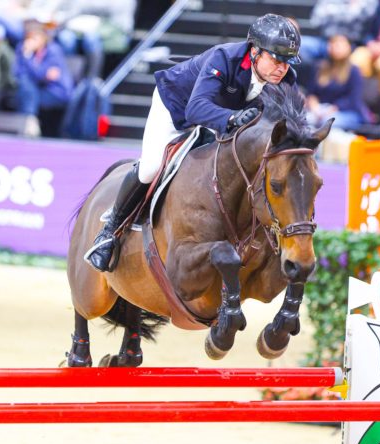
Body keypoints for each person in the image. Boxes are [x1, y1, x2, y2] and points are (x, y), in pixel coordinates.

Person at [84, 13, 303, 272]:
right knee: (152, 167)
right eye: (277, 59)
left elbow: (285, 123)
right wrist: (232, 118)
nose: (282, 68)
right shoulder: (224, 58)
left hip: (221, 117)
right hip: (177, 106)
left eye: (287, 62)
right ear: (255, 51)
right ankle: (109, 232)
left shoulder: (286, 79)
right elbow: (196, 109)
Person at [14, 21, 74, 138]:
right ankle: (28, 121)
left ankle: (28, 121)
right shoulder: (23, 49)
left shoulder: (53, 50)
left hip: (57, 91)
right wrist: (27, 57)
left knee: (27, 90)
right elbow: (18, 73)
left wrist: (27, 57)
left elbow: (43, 75)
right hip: (39, 88)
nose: (29, 42)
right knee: (25, 85)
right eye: (28, 38)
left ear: (43, 38)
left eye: (34, 38)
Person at [304, 34, 371, 130]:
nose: (336, 48)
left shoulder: (354, 70)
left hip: (347, 112)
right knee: (305, 119)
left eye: (340, 44)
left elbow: (353, 99)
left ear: (349, 47)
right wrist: (315, 108)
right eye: (333, 44)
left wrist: (332, 109)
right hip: (321, 109)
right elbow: (311, 93)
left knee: (327, 122)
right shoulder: (320, 67)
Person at [300, 0, 378, 62]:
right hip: (326, 41)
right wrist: (349, 10)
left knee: (358, 58)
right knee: (299, 46)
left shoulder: (369, 1)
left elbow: (363, 20)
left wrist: (332, 11)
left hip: (353, 44)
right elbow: (316, 19)